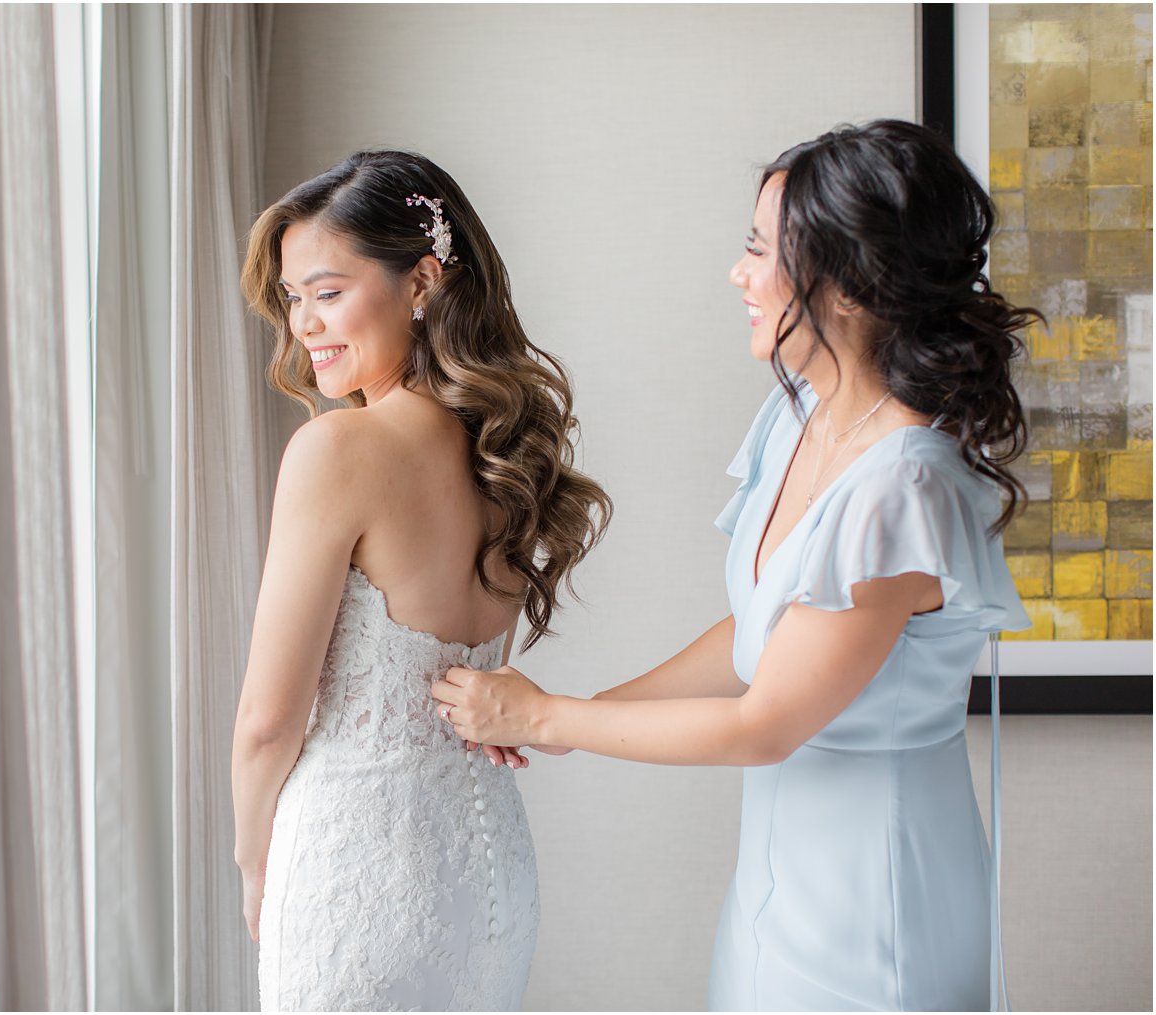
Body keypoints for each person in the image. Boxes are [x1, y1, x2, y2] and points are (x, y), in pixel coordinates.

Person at [432, 119, 1037, 1011]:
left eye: (761, 249)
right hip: (776, 890)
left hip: (877, 906)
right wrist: (586, 712)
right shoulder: (802, 415)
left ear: (851, 278)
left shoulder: (904, 485)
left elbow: (766, 722)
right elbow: (755, 633)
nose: (739, 273)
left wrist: (552, 718)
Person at [231, 150, 611, 1011]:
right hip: (488, 882)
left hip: (353, 872)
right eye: (293, 300)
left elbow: (267, 721)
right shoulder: (507, 455)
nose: (303, 328)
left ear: (423, 280)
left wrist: (257, 858)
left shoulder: (337, 449)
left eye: (327, 293)